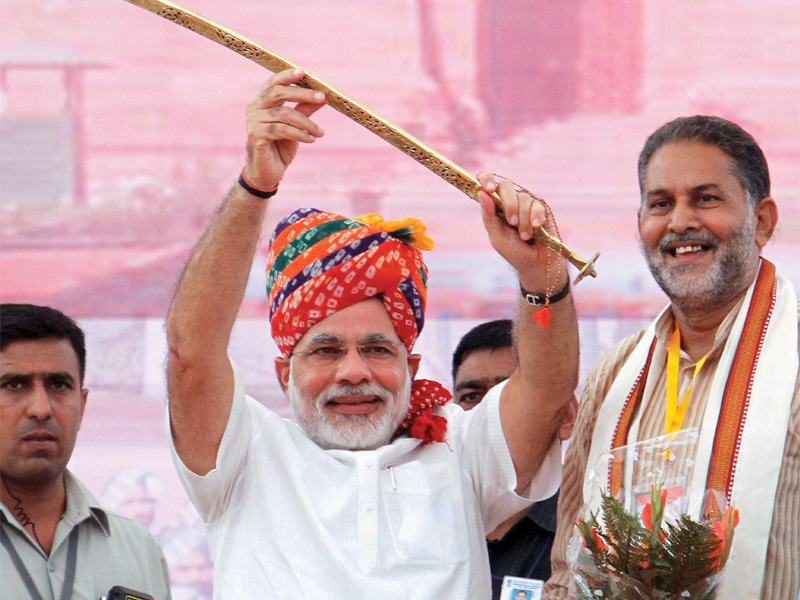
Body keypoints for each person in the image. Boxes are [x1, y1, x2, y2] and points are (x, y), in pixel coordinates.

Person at [166, 68, 579, 599]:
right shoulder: (247, 455)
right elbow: (191, 353)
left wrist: (542, 275)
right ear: (283, 372)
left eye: (377, 349)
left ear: (410, 369)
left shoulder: (460, 454)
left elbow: (544, 391)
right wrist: (255, 184)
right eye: (326, 350)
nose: (354, 371)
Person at [544, 116, 799, 600]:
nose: (680, 221)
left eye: (705, 198)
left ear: (762, 221)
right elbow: (568, 570)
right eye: (661, 204)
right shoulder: (615, 374)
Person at [0, 303, 171, 600]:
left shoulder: (137, 548)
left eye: (59, 385)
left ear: (82, 406)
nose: (41, 409)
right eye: (14, 384)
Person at [452, 319, 575, 599]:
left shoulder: (595, 533)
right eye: (472, 397)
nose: (488, 414)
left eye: (512, 396)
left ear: (566, 417)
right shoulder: (425, 518)